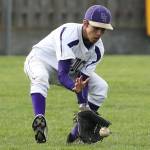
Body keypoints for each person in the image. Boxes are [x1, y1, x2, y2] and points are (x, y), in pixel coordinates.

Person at [24, 4, 113, 144]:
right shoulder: (69, 34)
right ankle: (40, 121)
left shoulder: (98, 50)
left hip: (69, 71)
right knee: (40, 78)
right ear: (85, 23)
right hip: (41, 61)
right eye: (96, 28)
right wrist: (74, 87)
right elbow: (62, 75)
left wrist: (83, 106)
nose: (99, 34)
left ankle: (75, 134)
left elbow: (83, 80)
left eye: (103, 30)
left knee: (101, 87)